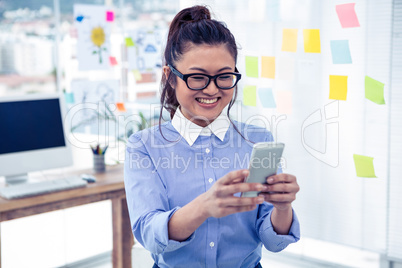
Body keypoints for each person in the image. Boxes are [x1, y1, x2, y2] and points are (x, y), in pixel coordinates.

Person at [124, 5, 300, 268]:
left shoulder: (258, 140)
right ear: (170, 77)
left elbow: (274, 242)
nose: (211, 89)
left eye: (224, 77)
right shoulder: (143, 147)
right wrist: (204, 207)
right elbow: (150, 235)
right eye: (197, 77)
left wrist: (283, 207)